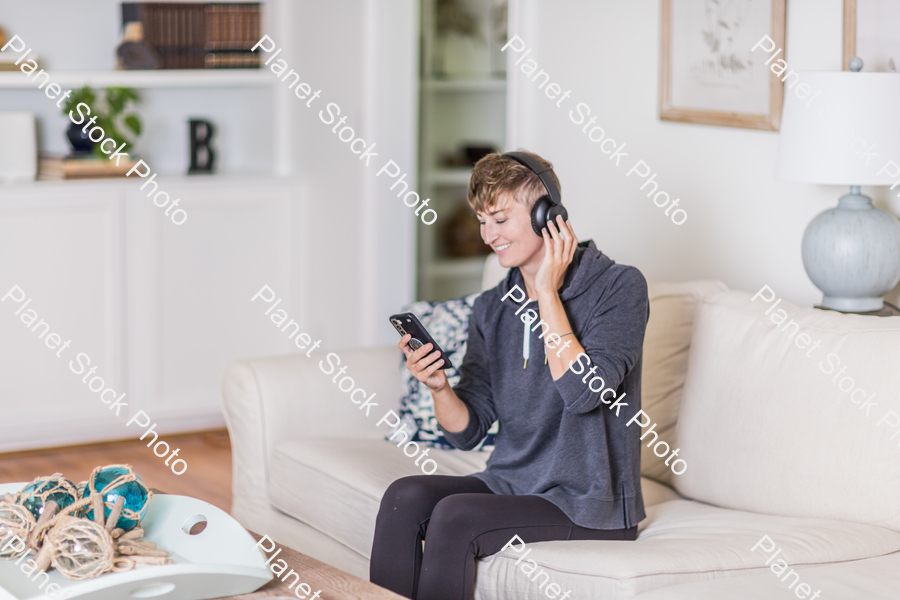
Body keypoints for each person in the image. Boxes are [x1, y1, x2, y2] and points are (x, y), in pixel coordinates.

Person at [370, 151, 650, 600]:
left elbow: (584, 393)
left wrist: (545, 293)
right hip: (511, 481)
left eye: (500, 219)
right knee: (405, 498)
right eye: (482, 221)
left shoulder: (619, 287)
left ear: (547, 216)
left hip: (587, 502)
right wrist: (440, 387)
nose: (488, 236)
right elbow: (468, 431)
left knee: (456, 517)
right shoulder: (492, 307)